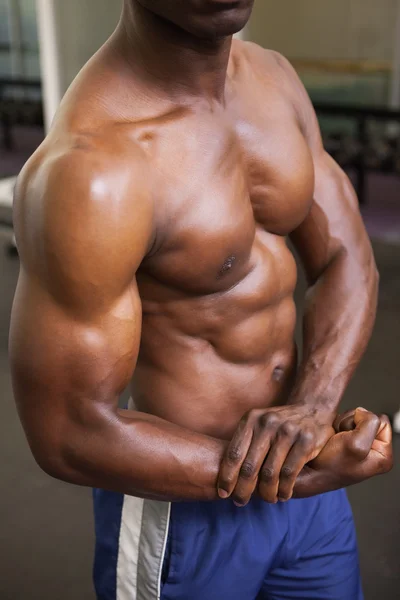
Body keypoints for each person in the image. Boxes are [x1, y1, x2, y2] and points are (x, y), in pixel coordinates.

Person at [10, 1, 393, 599]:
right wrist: (305, 472)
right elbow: (68, 431)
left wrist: (314, 407)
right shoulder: (94, 169)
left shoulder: (274, 81)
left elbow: (348, 259)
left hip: (306, 486)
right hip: (186, 516)